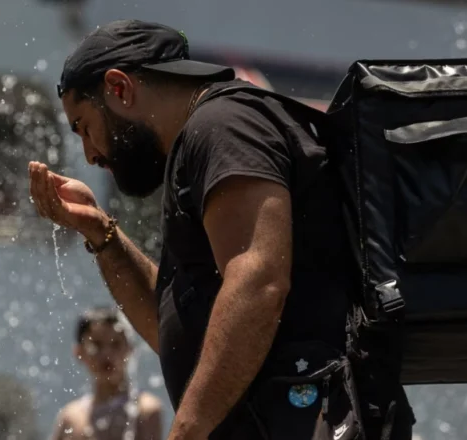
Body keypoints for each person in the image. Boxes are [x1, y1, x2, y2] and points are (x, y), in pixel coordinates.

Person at [29, 19, 414, 439]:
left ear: (119, 89)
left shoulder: (223, 127)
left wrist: (185, 432)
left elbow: (258, 282)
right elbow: (175, 331)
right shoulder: (199, 145)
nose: (89, 155)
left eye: (85, 127)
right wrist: (102, 233)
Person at [49, 306, 163, 440]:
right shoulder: (70, 418)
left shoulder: (145, 411)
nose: (107, 354)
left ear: (130, 349)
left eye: (116, 344)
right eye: (96, 345)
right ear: (79, 352)